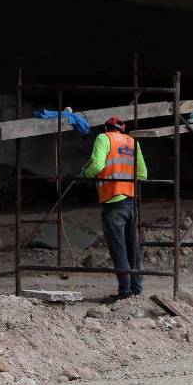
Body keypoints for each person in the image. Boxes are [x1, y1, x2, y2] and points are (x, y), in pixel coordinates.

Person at [82, 116, 147, 301]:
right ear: (122, 129)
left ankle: (125, 293)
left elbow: (97, 165)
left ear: (106, 127)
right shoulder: (132, 142)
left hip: (113, 202)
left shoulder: (104, 138)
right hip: (131, 202)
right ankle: (136, 291)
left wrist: (85, 174)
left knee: (118, 249)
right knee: (132, 247)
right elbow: (142, 173)